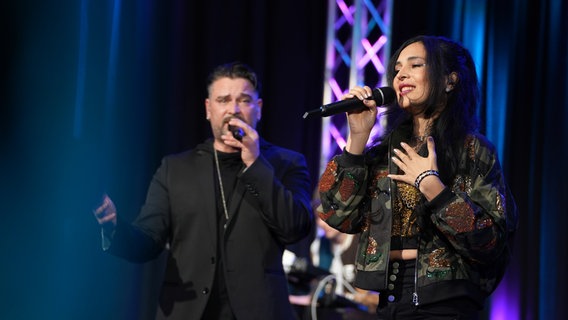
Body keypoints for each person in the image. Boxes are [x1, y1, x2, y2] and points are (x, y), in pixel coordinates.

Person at [317, 35, 517, 319]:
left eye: (416, 65)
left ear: (450, 81)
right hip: (390, 299)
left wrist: (433, 187)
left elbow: (490, 242)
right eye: (397, 69)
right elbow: (336, 215)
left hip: (446, 304)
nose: (401, 75)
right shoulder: (386, 154)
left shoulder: (472, 151)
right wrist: (358, 139)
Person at [93, 62, 314, 320]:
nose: (234, 110)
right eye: (223, 100)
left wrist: (255, 163)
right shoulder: (175, 169)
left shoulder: (286, 163)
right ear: (209, 109)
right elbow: (148, 241)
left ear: (259, 108)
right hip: (187, 310)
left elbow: (295, 228)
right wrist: (114, 227)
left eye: (244, 100)